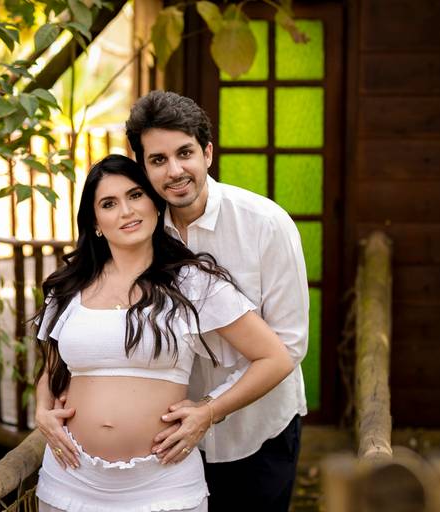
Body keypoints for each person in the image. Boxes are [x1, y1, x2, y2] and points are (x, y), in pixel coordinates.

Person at [33, 154, 294, 512]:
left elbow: (275, 358)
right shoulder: (68, 288)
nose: (126, 211)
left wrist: (209, 410)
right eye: (109, 204)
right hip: (70, 477)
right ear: (95, 223)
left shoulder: (193, 283)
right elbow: (52, 370)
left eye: (135, 195)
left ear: (155, 205)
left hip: (163, 484)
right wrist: (41, 410)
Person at [124, 90, 310, 511]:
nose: (175, 171)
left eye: (185, 153)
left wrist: (209, 410)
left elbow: (290, 345)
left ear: (207, 152)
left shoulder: (267, 225)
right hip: (169, 439)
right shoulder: (138, 231)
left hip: (261, 429)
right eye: (158, 160)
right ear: (144, 168)